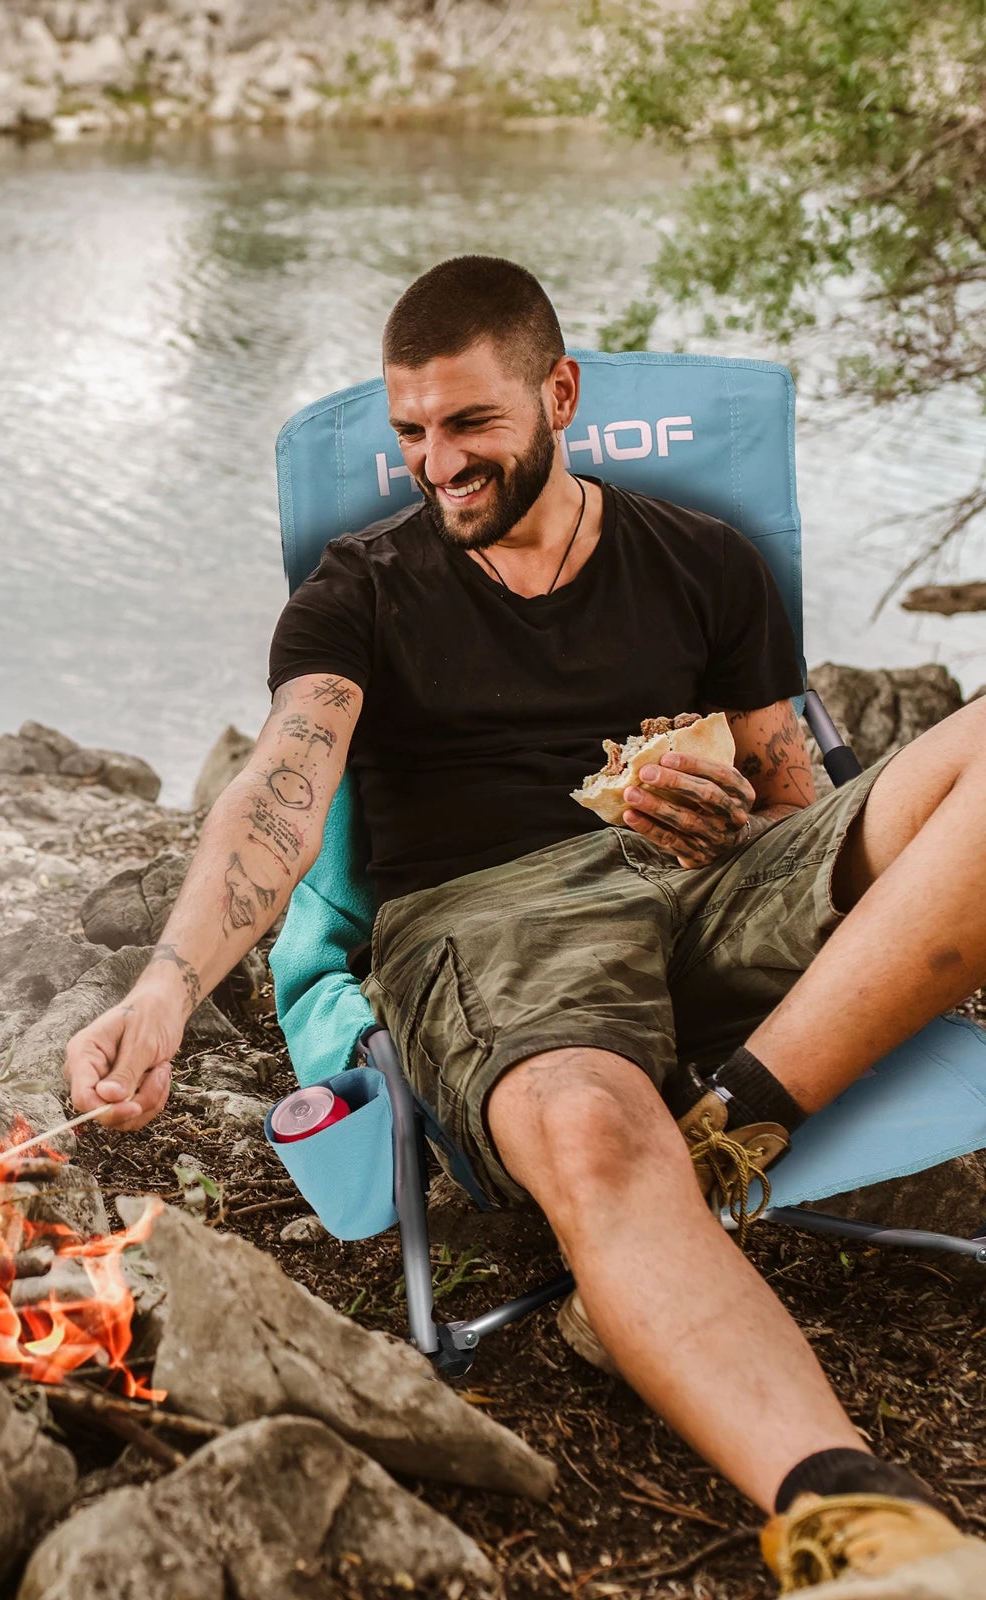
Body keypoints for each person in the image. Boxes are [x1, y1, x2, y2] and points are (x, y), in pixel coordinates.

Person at [64, 256, 986, 1592]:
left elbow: (807, 815)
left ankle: (729, 1126)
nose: (436, 465)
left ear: (559, 394)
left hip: (702, 884)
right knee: (594, 1133)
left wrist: (730, 815)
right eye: (411, 432)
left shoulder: (705, 561)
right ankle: (857, 1518)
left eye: (470, 424)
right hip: (489, 926)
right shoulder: (359, 591)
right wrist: (161, 990)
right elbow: (278, 797)